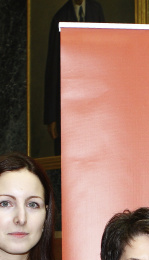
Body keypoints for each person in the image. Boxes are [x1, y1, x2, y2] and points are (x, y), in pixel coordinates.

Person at [43, 0, 105, 155]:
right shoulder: (60, 17)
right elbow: (53, 67)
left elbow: (105, 53)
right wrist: (51, 117)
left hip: (94, 95)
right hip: (69, 99)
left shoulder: (96, 10)